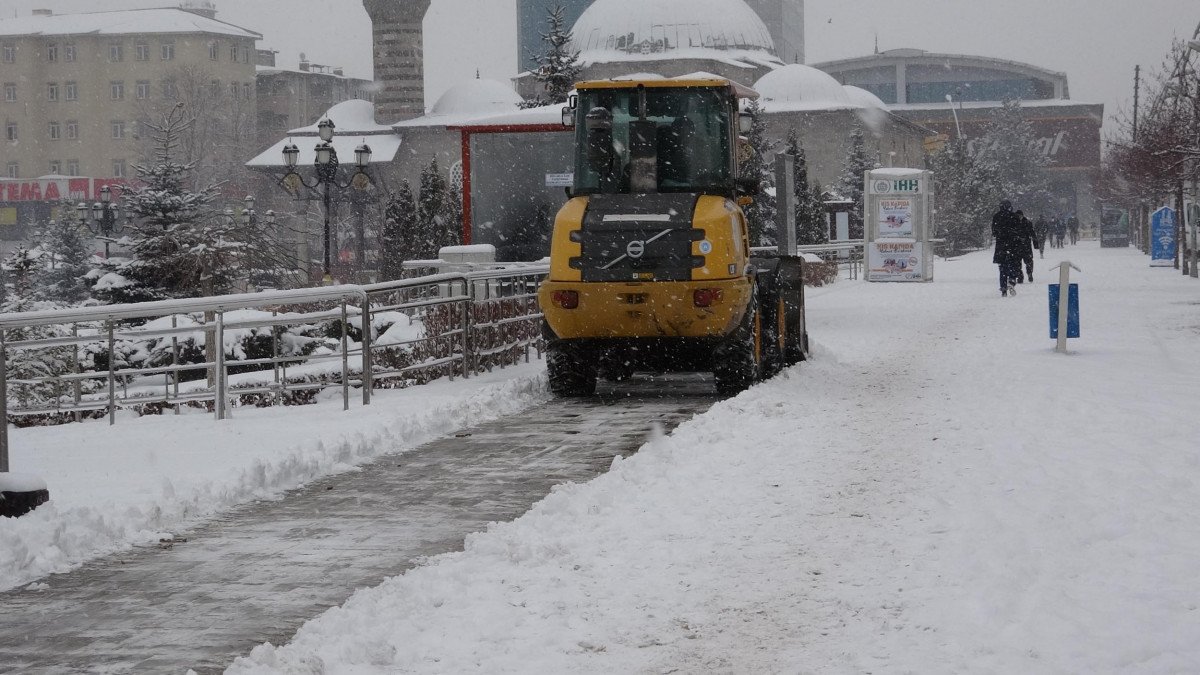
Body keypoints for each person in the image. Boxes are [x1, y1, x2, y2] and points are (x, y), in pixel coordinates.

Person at [992, 199, 1024, 297]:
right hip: (1013, 245)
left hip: (1001, 246)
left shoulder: (996, 217)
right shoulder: (1014, 217)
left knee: (1002, 268)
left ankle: (1003, 288)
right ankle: (1012, 280)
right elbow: (1019, 230)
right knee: (1013, 264)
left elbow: (994, 232)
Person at [1016, 209, 1036, 283]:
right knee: (1017, 262)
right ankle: (1020, 276)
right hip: (1017, 246)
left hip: (1026, 245)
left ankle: (1029, 273)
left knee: (1029, 261)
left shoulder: (1027, 223)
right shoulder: (1013, 223)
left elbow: (1032, 233)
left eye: (1020, 215)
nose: (1019, 217)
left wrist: (1035, 243)